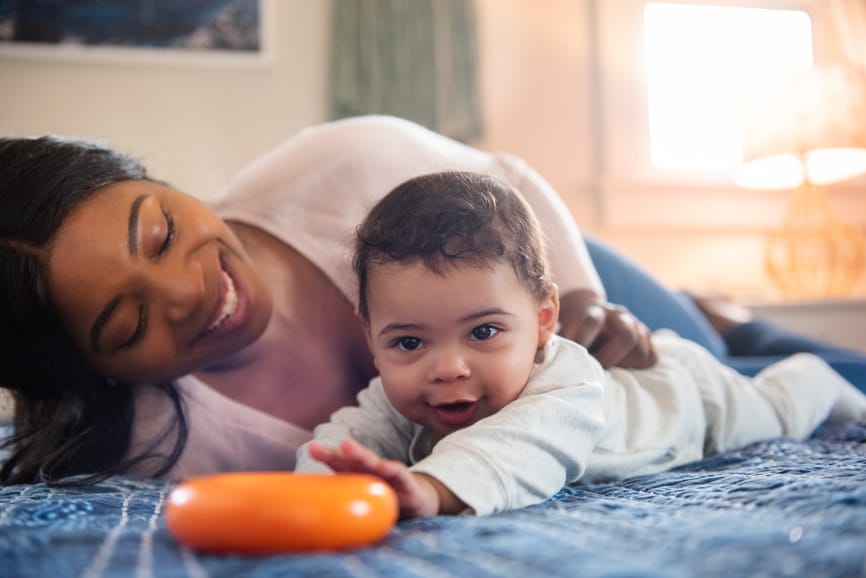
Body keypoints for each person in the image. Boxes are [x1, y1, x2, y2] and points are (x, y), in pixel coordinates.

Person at [0, 116, 657, 486]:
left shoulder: (346, 160)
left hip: (554, 269)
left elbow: (509, 181)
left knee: (707, 345)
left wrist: (577, 296)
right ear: (98, 372)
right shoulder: (156, 449)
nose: (187, 291)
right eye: (130, 323)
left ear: (159, 182)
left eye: (163, 232)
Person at [297, 171, 866, 518]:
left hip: (686, 397)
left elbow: (517, 449)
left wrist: (430, 489)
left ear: (545, 319)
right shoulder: (397, 397)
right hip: (660, 384)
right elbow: (346, 439)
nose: (447, 367)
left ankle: (814, 375)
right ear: (371, 337)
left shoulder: (566, 382)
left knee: (776, 412)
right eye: (410, 342)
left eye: (485, 332)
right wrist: (320, 486)